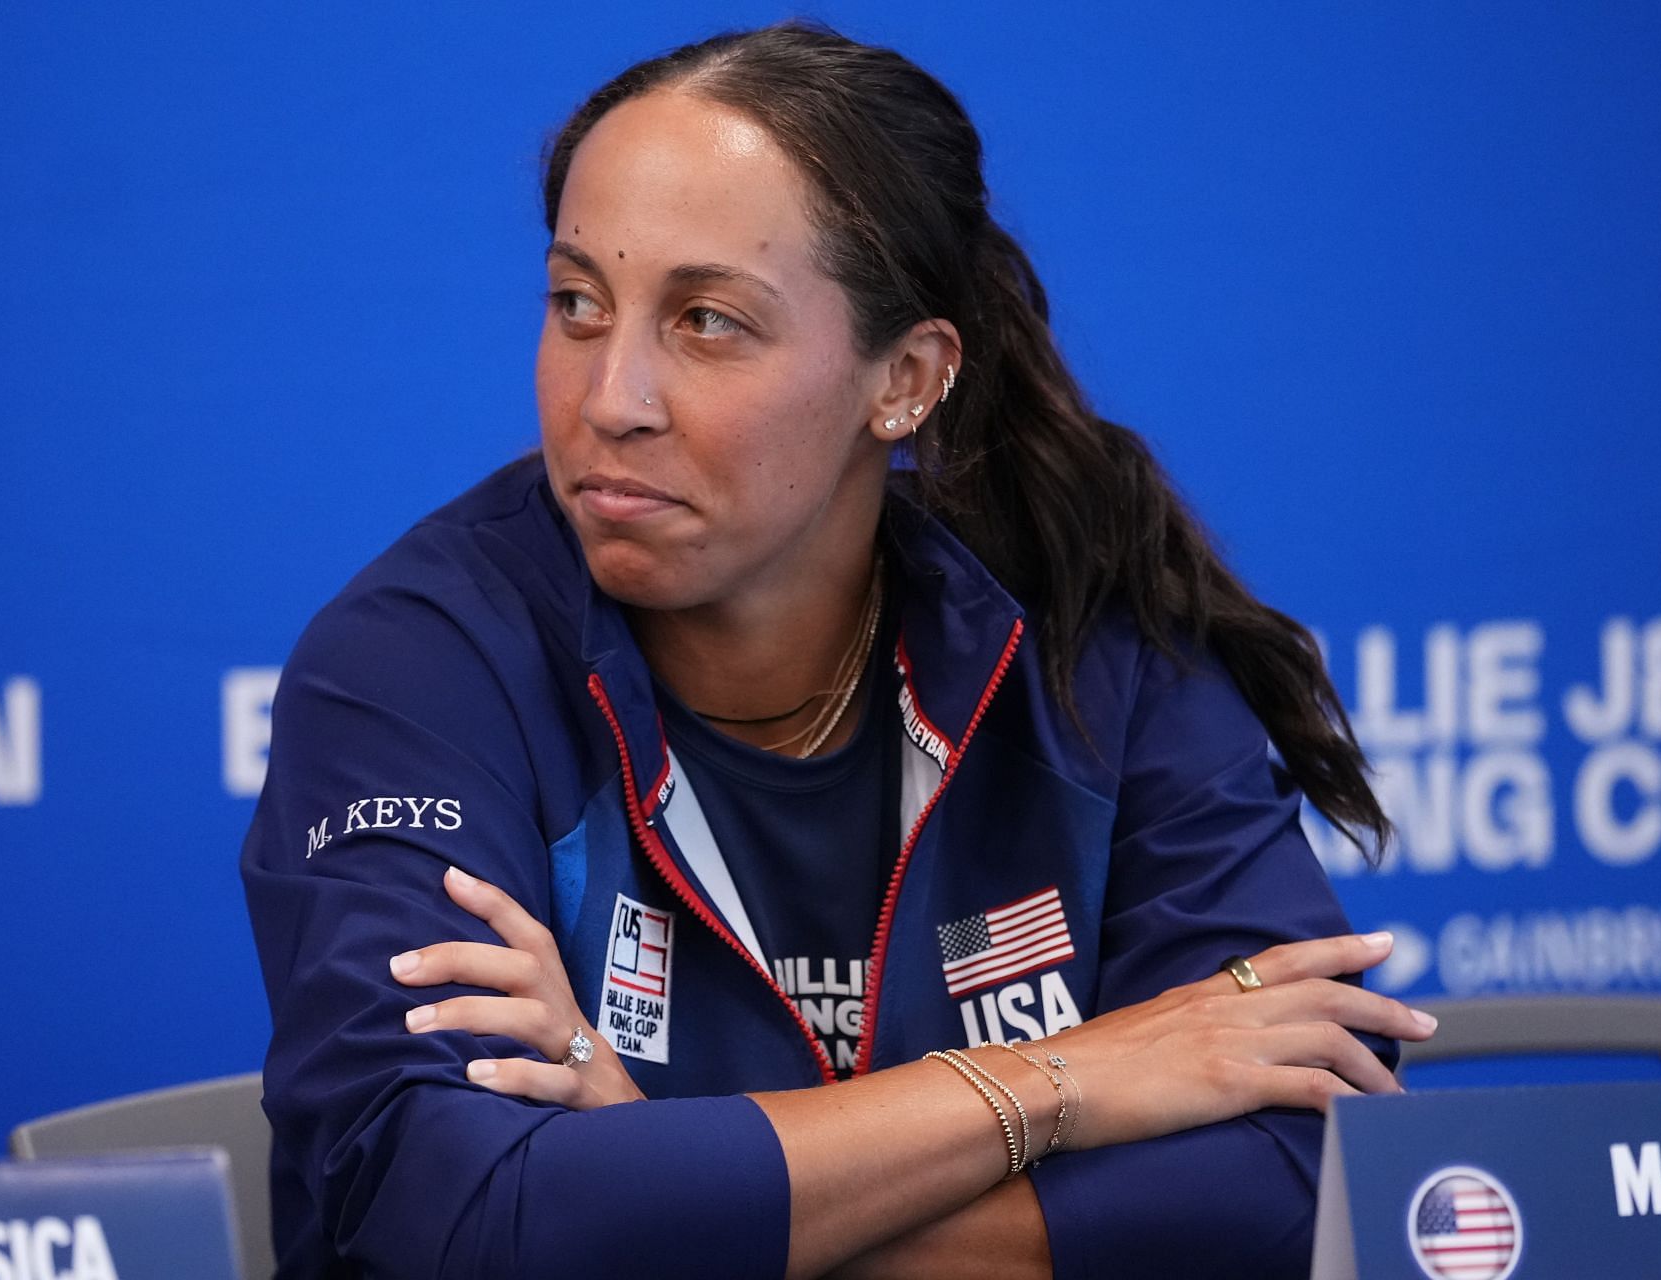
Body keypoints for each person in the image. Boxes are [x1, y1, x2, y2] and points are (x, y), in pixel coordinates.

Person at [241, 23, 1432, 1279]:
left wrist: (670, 1179)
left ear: (905, 378)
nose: (609, 398)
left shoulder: (1084, 630)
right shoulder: (415, 667)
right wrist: (1063, 1080)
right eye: (577, 303)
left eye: (706, 321)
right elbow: (451, 1214)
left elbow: (1300, 1178)